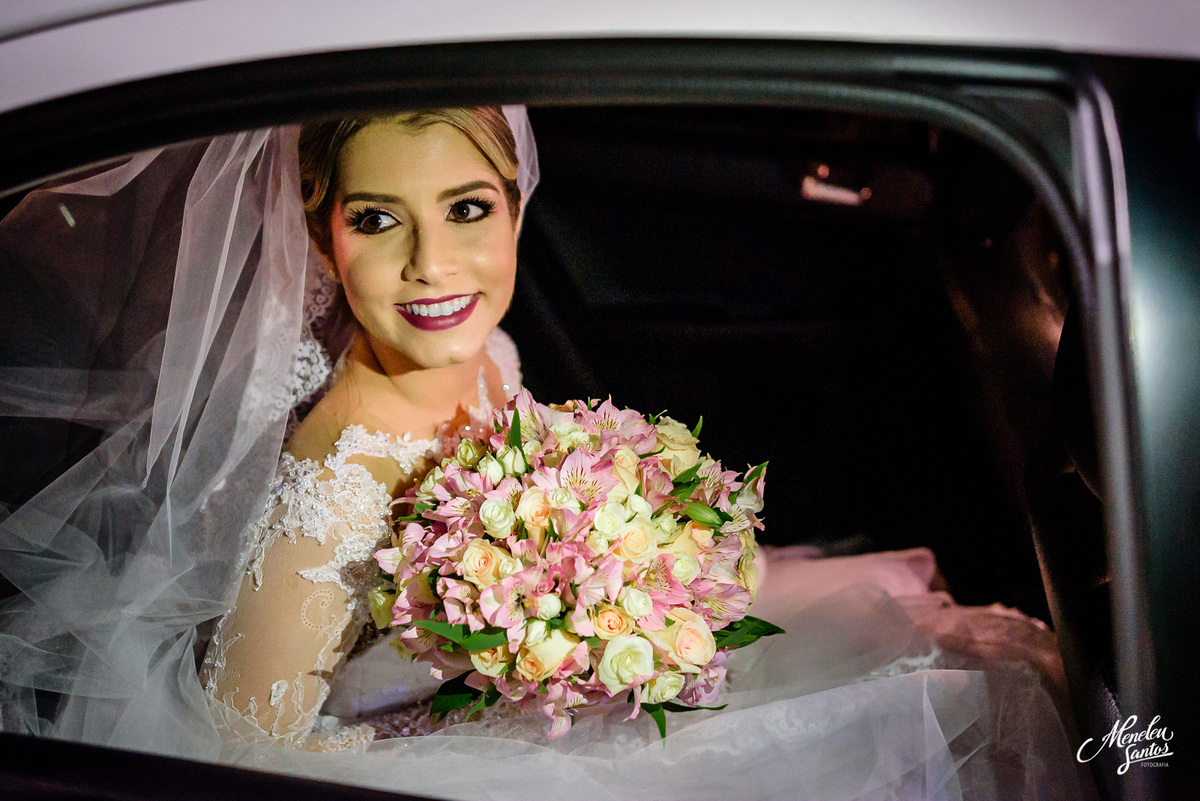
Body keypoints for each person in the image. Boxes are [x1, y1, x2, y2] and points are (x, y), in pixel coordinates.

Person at [0, 106, 1090, 799]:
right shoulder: (343, 472)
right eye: (379, 220)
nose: (433, 266)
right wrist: (514, 680)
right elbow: (243, 755)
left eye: (467, 208)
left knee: (976, 675)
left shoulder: (477, 356)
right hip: (445, 754)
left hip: (562, 701)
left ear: (518, 207)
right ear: (318, 225)